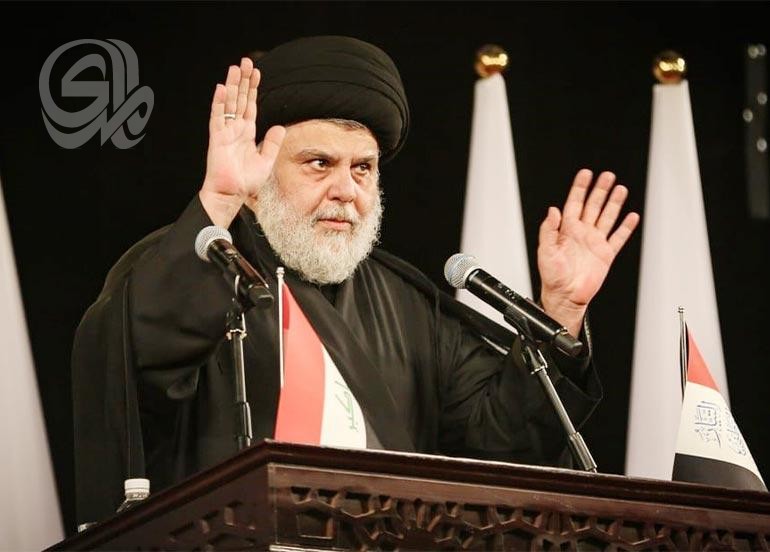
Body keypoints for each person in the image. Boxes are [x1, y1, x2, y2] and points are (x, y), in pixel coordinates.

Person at [71, 35, 639, 525]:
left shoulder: (406, 301)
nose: (346, 190)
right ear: (258, 174)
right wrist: (218, 205)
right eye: (319, 163)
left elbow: (504, 444)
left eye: (362, 168)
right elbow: (139, 365)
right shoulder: (193, 262)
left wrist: (561, 308)